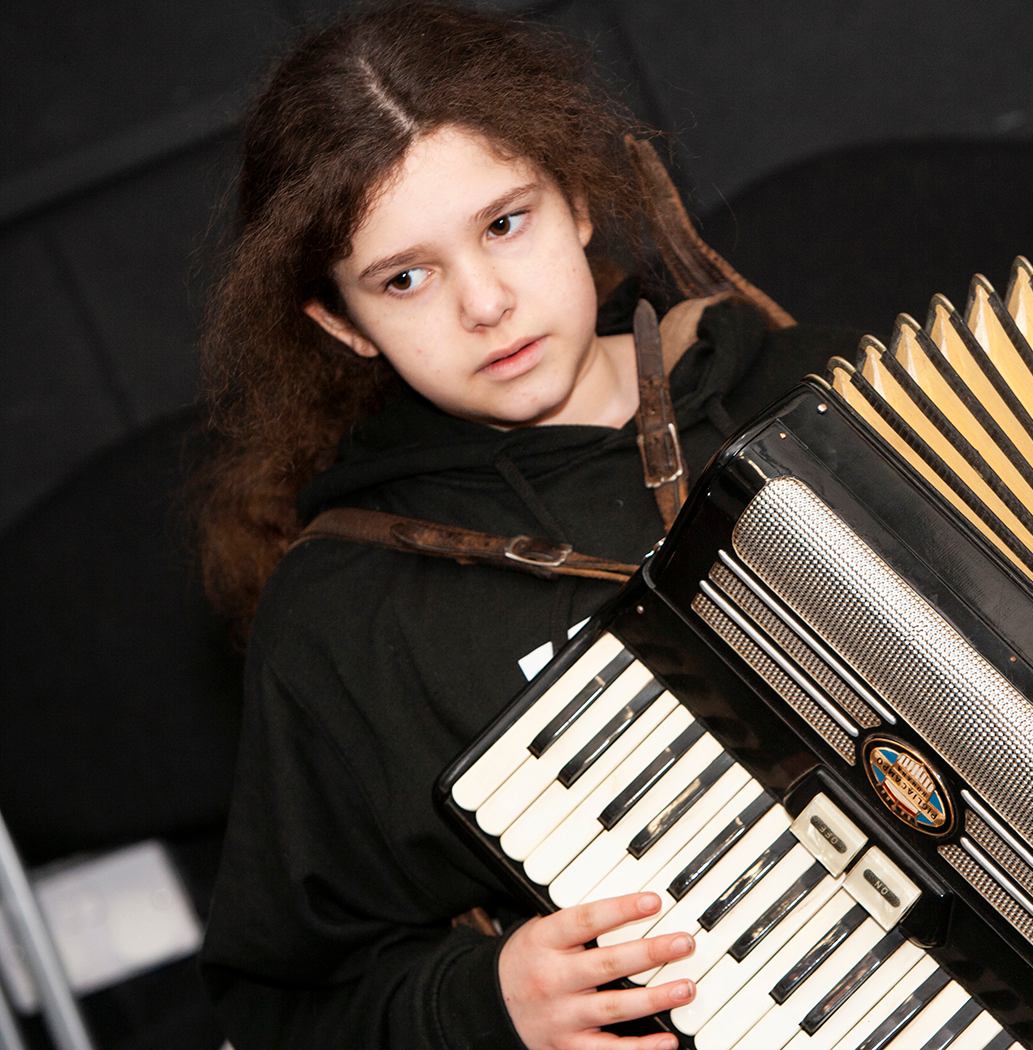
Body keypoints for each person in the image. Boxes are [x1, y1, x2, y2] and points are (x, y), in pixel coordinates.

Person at [194, 4, 852, 1048]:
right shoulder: (346, 623)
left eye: (505, 223)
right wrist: (480, 1002)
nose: (486, 303)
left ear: (578, 199)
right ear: (340, 323)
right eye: (404, 278)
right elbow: (274, 1012)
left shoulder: (806, 395)